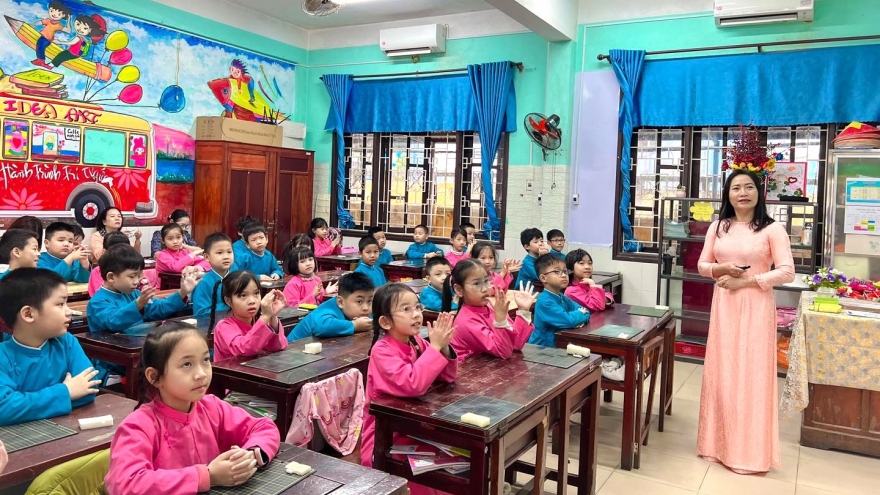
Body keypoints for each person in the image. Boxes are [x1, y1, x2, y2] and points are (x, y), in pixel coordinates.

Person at [104, 321, 280, 494]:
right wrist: (208, 476)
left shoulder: (212, 407)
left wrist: (252, 453)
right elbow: (125, 484)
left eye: (205, 360)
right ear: (154, 377)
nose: (201, 374)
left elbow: (263, 426)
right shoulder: (138, 426)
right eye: (187, 364)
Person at [696, 170, 794, 474]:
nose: (742, 193)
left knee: (751, 374)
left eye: (748, 187)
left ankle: (749, 454)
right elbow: (702, 265)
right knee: (723, 370)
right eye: (736, 187)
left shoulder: (772, 229)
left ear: (758, 193)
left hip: (756, 306)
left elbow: (787, 271)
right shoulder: (718, 227)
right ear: (727, 194)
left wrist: (747, 281)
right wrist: (722, 268)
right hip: (724, 305)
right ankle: (715, 446)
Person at [360, 284, 457, 473]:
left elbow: (447, 376)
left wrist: (443, 346)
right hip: (385, 436)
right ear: (386, 322)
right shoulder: (382, 351)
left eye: (417, 307)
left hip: (412, 426)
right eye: (406, 309)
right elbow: (413, 384)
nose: (416, 314)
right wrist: (435, 347)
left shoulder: (415, 341)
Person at [0, 268, 100, 426]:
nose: (69, 311)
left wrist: (23, 405)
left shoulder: (66, 342)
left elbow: (89, 387)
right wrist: (66, 391)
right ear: (28, 314)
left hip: (66, 430)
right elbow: (3, 408)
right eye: (60, 304)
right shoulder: (3, 356)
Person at [87, 245, 197, 334]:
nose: (137, 281)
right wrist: (138, 304)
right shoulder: (97, 302)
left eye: (139, 276)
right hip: (114, 353)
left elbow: (159, 307)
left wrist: (182, 292)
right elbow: (113, 321)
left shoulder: (133, 294)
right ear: (111, 277)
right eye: (131, 276)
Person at [443, 259, 537, 361]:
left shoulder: (490, 306)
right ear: (459, 290)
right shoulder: (466, 321)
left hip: (489, 365)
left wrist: (523, 311)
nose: (485, 289)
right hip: (469, 369)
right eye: (476, 283)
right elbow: (504, 352)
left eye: (486, 281)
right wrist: (500, 320)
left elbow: (516, 344)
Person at [209, 271, 288, 362]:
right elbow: (245, 349)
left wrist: (272, 317)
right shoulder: (223, 326)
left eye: (256, 293)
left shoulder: (259, 322)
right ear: (228, 301)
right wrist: (265, 316)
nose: (252, 301)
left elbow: (278, 346)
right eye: (243, 295)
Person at [286, 272, 373, 342]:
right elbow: (322, 327)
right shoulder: (328, 310)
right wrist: (354, 325)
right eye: (359, 302)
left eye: (369, 301)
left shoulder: (349, 311)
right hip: (293, 352)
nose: (366, 308)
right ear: (340, 302)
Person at [529, 254, 589, 347]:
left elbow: (586, 311)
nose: (564, 275)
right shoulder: (545, 302)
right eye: (557, 271)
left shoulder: (561, 296)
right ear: (543, 278)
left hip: (557, 346)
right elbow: (568, 321)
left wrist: (576, 319)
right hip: (540, 350)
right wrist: (577, 317)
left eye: (565, 271)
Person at [88, 232, 159, 297]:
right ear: (104, 252)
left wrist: (145, 290)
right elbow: (100, 294)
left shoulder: (132, 269)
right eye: (117, 252)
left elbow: (143, 285)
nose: (122, 256)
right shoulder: (98, 271)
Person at [192, 233, 236, 317]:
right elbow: (200, 313)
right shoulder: (203, 283)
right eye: (219, 253)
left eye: (229, 252)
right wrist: (231, 305)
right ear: (206, 257)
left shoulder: (237, 278)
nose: (226, 257)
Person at [30, 0, 71, 69]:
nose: (54, 14)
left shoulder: (58, 25)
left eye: (58, 14)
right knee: (39, 46)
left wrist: (69, 20)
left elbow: (68, 31)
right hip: (43, 37)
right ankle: (40, 60)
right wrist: (32, 25)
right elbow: (40, 22)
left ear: (63, 15)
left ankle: (41, 60)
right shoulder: (48, 21)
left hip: (47, 40)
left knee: (40, 46)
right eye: (52, 11)